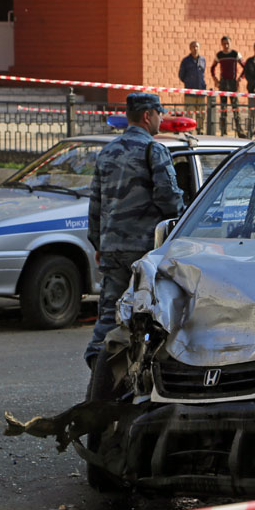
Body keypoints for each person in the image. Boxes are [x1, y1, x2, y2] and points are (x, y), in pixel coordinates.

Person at [84, 92, 185, 368]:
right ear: (147, 116)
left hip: (111, 249)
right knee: (148, 313)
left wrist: (98, 245)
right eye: (159, 113)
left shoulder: (107, 153)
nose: (161, 118)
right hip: (144, 252)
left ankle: (99, 368)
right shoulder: (154, 150)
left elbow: (95, 204)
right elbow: (169, 199)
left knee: (109, 314)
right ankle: (146, 372)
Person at [210, 36, 243, 136]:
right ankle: (223, 131)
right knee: (223, 107)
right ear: (222, 44)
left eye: (228, 43)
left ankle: (239, 130)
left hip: (233, 83)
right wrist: (216, 80)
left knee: (235, 106)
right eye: (224, 43)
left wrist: (240, 78)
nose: (226, 45)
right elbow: (212, 68)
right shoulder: (219, 55)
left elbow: (244, 66)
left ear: (230, 43)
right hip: (223, 83)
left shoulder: (235, 54)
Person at [178, 41, 207, 130]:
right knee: (189, 113)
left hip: (201, 91)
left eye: (197, 47)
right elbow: (181, 75)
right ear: (190, 49)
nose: (195, 49)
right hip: (190, 92)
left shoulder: (203, 60)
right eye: (193, 47)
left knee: (201, 113)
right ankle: (189, 130)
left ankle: (200, 130)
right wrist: (188, 83)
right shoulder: (186, 61)